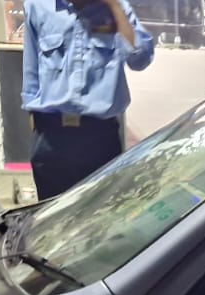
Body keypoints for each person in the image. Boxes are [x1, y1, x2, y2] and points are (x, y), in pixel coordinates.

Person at [22, 0, 155, 199]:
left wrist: (115, 9)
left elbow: (140, 58)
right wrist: (33, 114)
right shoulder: (38, 6)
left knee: (99, 219)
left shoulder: (116, 8)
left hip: (99, 137)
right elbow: (31, 68)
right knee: (51, 220)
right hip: (50, 136)